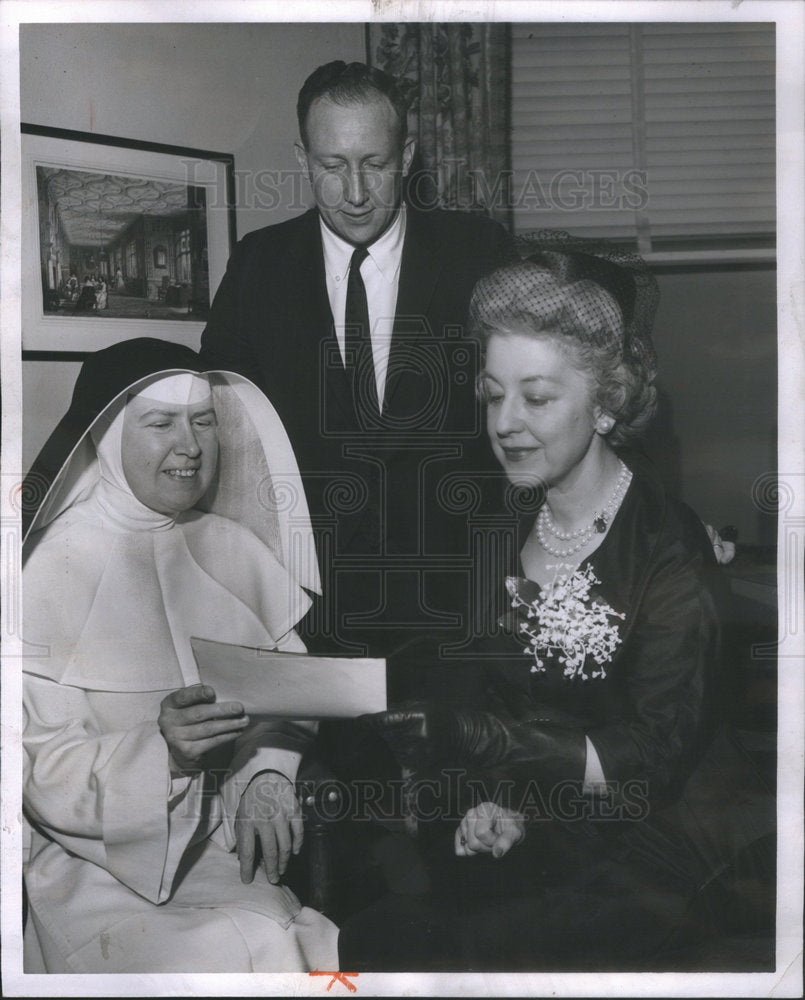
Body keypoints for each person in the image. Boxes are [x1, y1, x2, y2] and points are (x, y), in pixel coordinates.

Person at [341, 238, 776, 971]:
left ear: (605, 405)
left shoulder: (669, 546)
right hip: (552, 831)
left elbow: (650, 759)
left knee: (451, 951)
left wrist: (485, 744)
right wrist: (488, 805)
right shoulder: (499, 527)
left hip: (672, 839)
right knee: (372, 937)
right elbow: (489, 693)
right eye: (491, 393)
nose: (504, 421)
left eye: (536, 397)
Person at [22, 339, 338, 973]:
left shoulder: (232, 547)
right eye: (161, 423)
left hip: (222, 848)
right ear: (107, 435)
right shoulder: (45, 571)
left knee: (282, 950)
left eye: (202, 421)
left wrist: (269, 772)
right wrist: (160, 756)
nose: (190, 445)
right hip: (93, 865)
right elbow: (42, 775)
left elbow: (293, 698)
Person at [200, 60, 515, 696]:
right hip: (312, 608)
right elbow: (225, 422)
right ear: (301, 157)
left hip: (458, 606)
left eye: (374, 162)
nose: (355, 192)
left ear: (408, 154)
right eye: (331, 165)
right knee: (336, 790)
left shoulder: (478, 253)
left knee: (454, 789)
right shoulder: (259, 264)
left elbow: (541, 405)